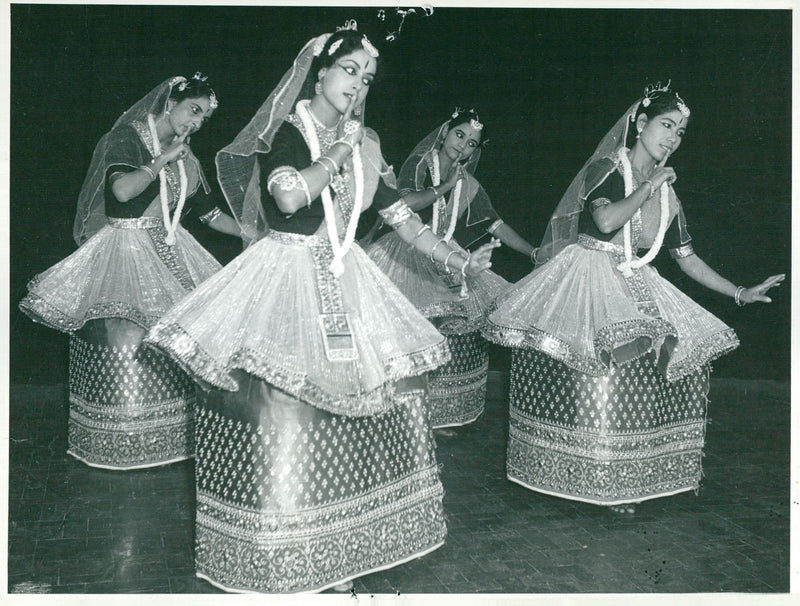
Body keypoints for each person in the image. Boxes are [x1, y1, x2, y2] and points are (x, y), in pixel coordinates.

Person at [144, 24, 497, 593]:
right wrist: (339, 149)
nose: (358, 85)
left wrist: (459, 263)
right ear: (322, 71)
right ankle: (282, 550)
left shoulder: (361, 143)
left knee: (355, 413)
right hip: (287, 279)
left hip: (343, 279)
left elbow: (400, 216)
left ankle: (337, 548)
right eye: (350, 71)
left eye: (368, 77)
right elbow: (288, 195)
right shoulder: (292, 131)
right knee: (287, 414)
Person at [483, 82, 784, 512]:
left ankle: (620, 478)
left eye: (680, 132)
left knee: (633, 379)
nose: (673, 138)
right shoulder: (605, 167)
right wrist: (648, 186)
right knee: (590, 378)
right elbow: (605, 220)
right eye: (666, 125)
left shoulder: (667, 191)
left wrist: (740, 292)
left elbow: (687, 257)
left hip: (636, 281)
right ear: (640, 124)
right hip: (588, 274)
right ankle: (569, 473)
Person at [19, 73, 243, 470]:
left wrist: (254, 232)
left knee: (184, 334)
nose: (196, 123)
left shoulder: (184, 152)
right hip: (125, 249)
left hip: (169, 247)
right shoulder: (127, 138)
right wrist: (161, 160)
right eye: (193, 110)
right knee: (128, 341)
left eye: (203, 119)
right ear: (170, 101)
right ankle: (122, 442)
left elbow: (208, 213)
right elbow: (122, 192)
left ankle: (173, 439)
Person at [367, 108, 533, 429]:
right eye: (460, 135)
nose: (464, 145)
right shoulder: (420, 164)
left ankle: (437, 415)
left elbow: (495, 224)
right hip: (407, 250)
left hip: (445, 252)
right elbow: (404, 205)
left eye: (472, 143)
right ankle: (400, 412)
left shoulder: (466, 182)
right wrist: (444, 187)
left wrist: (533, 251)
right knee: (411, 327)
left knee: (452, 327)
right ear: (444, 133)